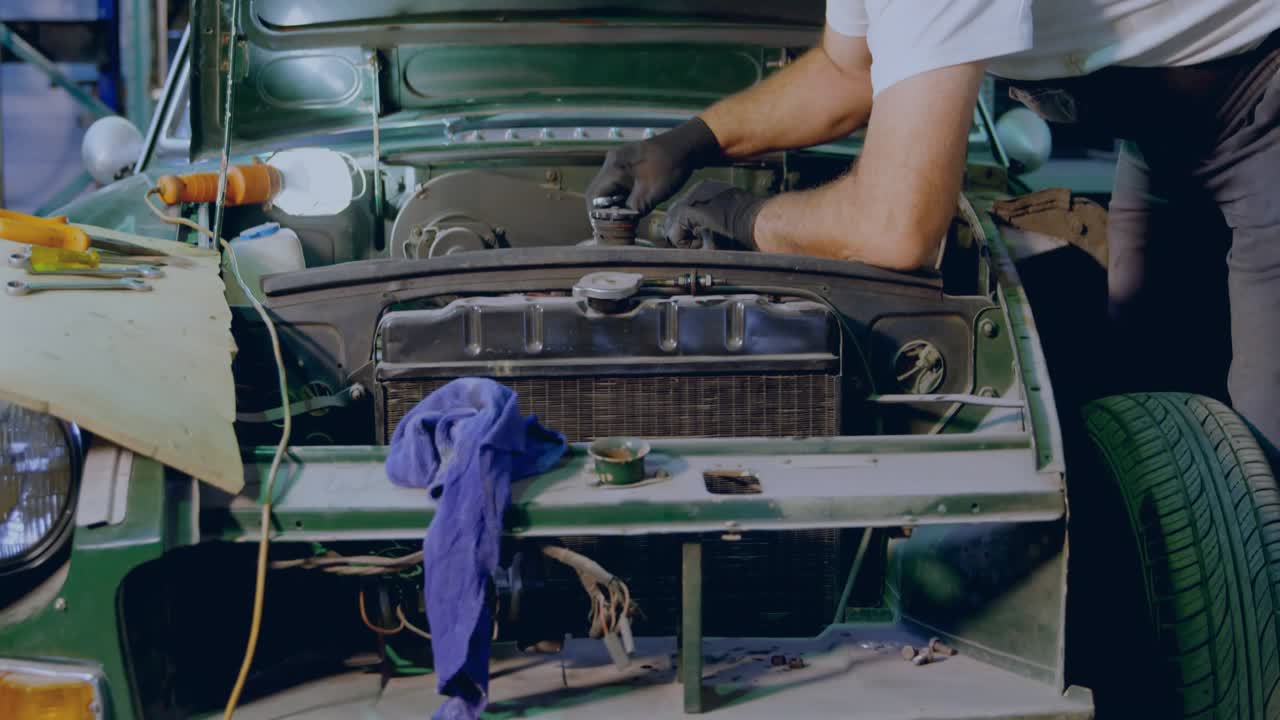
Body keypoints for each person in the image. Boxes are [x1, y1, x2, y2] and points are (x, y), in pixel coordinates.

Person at [587, 0, 1280, 462]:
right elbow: (844, 70)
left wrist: (742, 218)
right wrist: (688, 142)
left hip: (1266, 97)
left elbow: (897, 230)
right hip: (1162, 138)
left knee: (1266, 436)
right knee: (1152, 403)